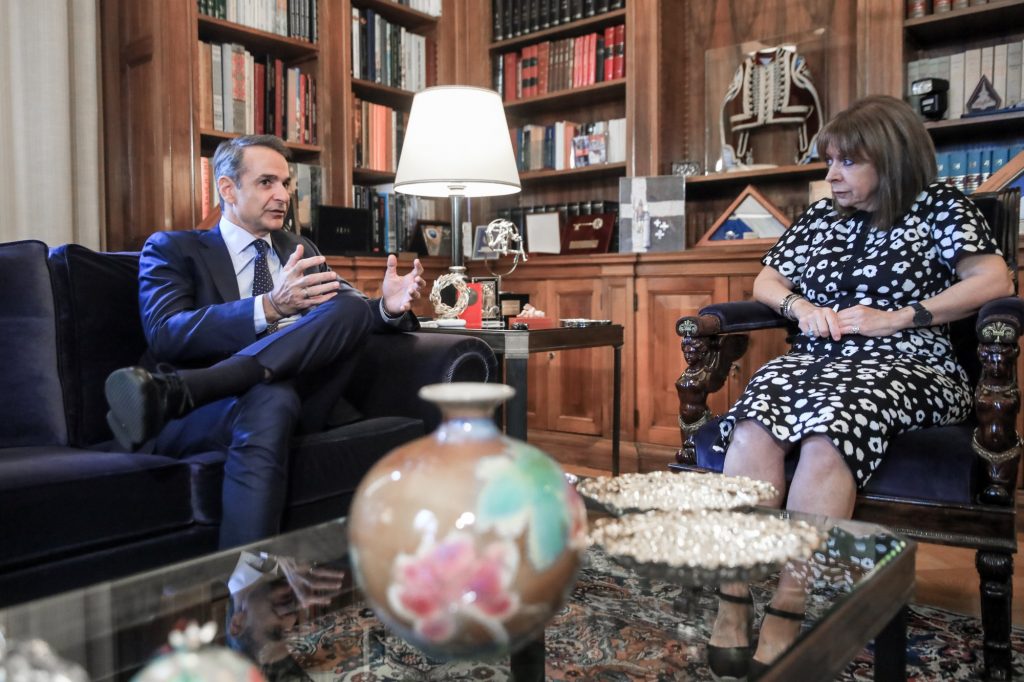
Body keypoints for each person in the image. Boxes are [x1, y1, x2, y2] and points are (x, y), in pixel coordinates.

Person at [706, 95, 1013, 679]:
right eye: (829, 161)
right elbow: (766, 280)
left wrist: (899, 318)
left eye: (847, 162)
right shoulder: (821, 217)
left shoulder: (941, 207)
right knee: (754, 419)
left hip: (910, 363)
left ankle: (789, 605)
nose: (832, 175)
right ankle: (733, 594)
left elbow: (993, 279)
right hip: (817, 360)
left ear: (891, 158)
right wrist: (801, 308)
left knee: (831, 428)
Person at [104, 134, 425, 549]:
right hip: (208, 412)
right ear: (227, 189)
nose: (283, 196)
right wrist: (270, 306)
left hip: (292, 393)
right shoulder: (174, 249)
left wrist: (386, 307)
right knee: (271, 399)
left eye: (286, 184)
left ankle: (184, 388)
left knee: (348, 307)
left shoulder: (300, 248)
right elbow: (167, 333)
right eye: (266, 182)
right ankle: (249, 580)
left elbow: (350, 315)